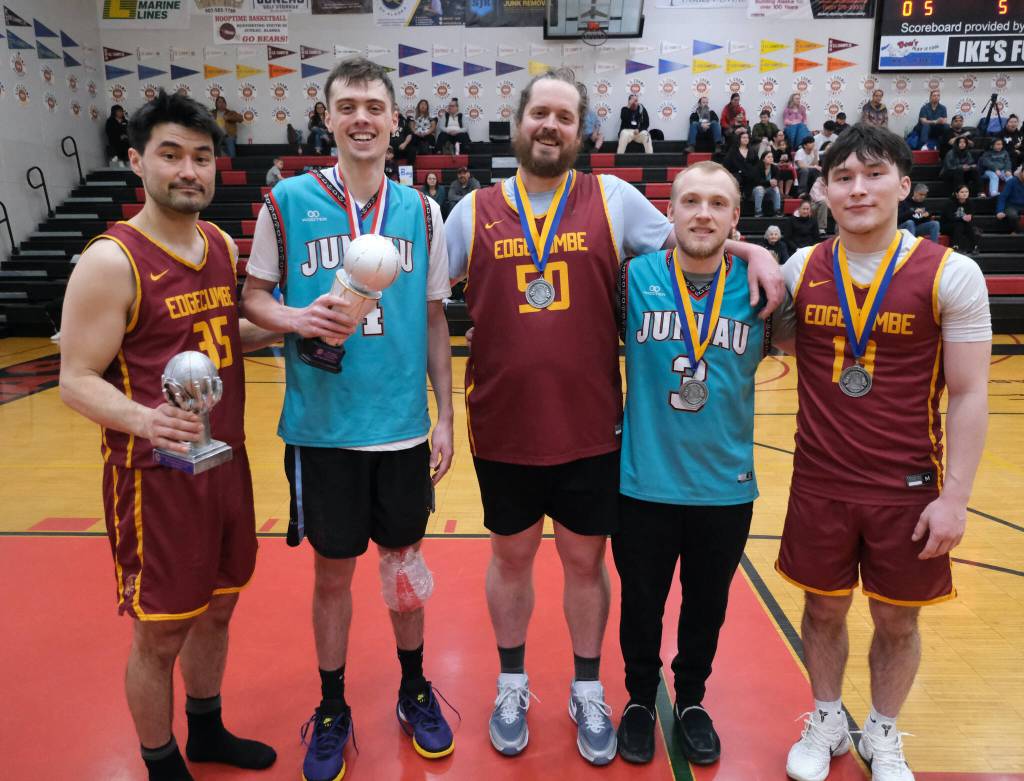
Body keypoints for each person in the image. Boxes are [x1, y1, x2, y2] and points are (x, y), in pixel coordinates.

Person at [444, 67, 784, 767]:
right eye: (539, 112)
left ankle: (589, 688)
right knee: (509, 558)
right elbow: (422, 298)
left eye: (565, 117)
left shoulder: (616, 199)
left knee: (585, 563)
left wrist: (753, 248)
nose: (550, 126)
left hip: (593, 432)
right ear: (517, 123)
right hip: (502, 427)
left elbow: (696, 241)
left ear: (582, 131)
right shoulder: (470, 210)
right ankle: (512, 682)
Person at [240, 57, 456, 781]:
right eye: (347, 106)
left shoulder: (423, 212)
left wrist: (445, 417)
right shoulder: (286, 201)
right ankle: (333, 704)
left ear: (395, 121)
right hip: (322, 429)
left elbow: (432, 321)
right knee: (333, 575)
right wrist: (296, 318)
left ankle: (414, 686)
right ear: (327, 118)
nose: (361, 118)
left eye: (374, 105)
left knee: (403, 569)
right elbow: (254, 298)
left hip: (400, 427)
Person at [58, 89, 278, 781]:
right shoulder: (109, 259)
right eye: (171, 154)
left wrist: (290, 323)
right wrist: (145, 419)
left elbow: (218, 337)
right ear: (136, 161)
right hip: (154, 477)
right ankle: (160, 762)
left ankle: (207, 730)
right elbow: (75, 377)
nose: (190, 170)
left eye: (202, 157)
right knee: (160, 631)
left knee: (218, 608)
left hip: (226, 462)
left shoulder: (216, 242)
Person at [779, 123, 991, 781]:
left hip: (908, 485)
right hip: (819, 478)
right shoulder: (801, 268)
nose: (858, 188)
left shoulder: (952, 273)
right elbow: (769, 339)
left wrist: (955, 497)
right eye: (842, 177)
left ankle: (884, 731)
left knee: (897, 621)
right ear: (825, 190)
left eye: (873, 174)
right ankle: (826, 718)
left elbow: (970, 393)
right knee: (822, 608)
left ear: (904, 183)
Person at [612, 162, 796, 767]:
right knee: (641, 604)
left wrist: (760, 256)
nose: (703, 214)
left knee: (706, 607)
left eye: (718, 204)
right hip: (644, 482)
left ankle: (690, 700)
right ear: (670, 212)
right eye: (690, 201)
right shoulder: (631, 278)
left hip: (725, 486)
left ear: (735, 218)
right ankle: (640, 700)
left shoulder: (760, 290)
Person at [940, 185, 981, 253]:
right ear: (957, 194)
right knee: (959, 224)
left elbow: (971, 215)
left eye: (966, 192)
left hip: (962, 224)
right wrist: (962, 218)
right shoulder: (950, 203)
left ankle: (974, 246)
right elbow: (950, 217)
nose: (965, 193)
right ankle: (955, 246)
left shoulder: (970, 203)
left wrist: (969, 217)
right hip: (947, 225)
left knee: (966, 225)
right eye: (962, 192)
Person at [722, 129, 756, 196]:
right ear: (739, 139)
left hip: (749, 173)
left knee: (752, 177)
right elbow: (727, 163)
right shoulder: (734, 150)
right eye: (743, 137)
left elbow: (756, 163)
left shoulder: (752, 150)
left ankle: (748, 196)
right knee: (736, 178)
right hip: (736, 172)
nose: (746, 139)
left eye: (747, 138)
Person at [750, 149, 782, 217]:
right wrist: (769, 182)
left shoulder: (775, 168)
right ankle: (758, 211)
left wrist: (775, 182)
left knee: (776, 188)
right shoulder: (757, 168)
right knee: (760, 189)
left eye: (772, 157)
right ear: (763, 159)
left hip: (768, 192)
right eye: (768, 157)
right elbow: (756, 181)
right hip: (756, 192)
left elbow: (777, 178)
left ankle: (777, 210)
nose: (771, 158)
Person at [995, 165, 1024, 234]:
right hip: (1011, 206)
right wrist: (1000, 211)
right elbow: (1002, 197)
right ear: (1021, 172)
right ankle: (1019, 233)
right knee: (1013, 216)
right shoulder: (1011, 182)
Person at [767, 128, 796, 197]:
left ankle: (787, 194)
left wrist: (788, 163)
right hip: (774, 166)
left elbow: (790, 159)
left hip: (785, 166)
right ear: (774, 138)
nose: (782, 136)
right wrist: (777, 164)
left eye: (783, 135)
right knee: (779, 172)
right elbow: (769, 160)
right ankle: (781, 194)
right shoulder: (769, 147)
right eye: (780, 135)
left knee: (789, 173)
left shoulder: (787, 148)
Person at [580, 84, 605, 151]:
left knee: (601, 136)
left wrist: (595, 132)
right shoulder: (577, 113)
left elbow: (597, 124)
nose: (585, 103)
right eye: (583, 101)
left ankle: (595, 150)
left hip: (591, 135)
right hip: (581, 135)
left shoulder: (591, 113)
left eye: (586, 101)